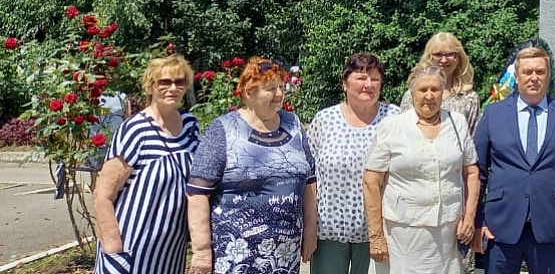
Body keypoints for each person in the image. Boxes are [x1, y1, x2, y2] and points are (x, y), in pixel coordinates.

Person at [187, 57, 318, 274]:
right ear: (249, 93)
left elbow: (309, 181)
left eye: (280, 88)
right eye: (270, 89)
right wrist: (201, 250)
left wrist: (311, 230)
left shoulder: (293, 124)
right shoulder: (223, 129)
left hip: (285, 254)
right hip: (234, 255)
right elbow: (197, 193)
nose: (278, 94)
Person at [473, 45, 555, 274]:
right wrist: (478, 221)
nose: (534, 78)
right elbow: (478, 172)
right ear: (517, 76)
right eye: (527, 72)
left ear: (548, 75)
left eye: (540, 72)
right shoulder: (493, 114)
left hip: (550, 226)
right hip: (500, 225)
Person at [363, 65, 479, 274]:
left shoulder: (457, 123)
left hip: (447, 235)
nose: (429, 95)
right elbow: (371, 181)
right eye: (422, 90)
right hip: (402, 236)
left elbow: (471, 173)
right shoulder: (392, 126)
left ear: (443, 92)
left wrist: (469, 217)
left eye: (435, 89)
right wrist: (376, 237)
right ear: (412, 93)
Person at [92, 54, 200, 274]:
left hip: (171, 249)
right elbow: (102, 195)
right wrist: (113, 249)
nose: (173, 88)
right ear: (150, 87)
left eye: (179, 82)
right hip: (131, 246)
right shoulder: (135, 129)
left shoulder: (190, 126)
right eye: (164, 82)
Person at [309, 53, 400, 274]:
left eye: (375, 78)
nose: (368, 84)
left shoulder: (395, 118)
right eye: (361, 77)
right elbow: (309, 176)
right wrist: (309, 227)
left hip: (378, 234)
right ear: (344, 83)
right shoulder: (324, 120)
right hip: (329, 232)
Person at [399, 32, 480, 133]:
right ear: (429, 57)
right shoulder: (412, 95)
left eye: (450, 54)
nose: (444, 59)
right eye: (438, 54)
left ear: (459, 58)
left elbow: (472, 137)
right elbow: (402, 132)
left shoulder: (469, 98)